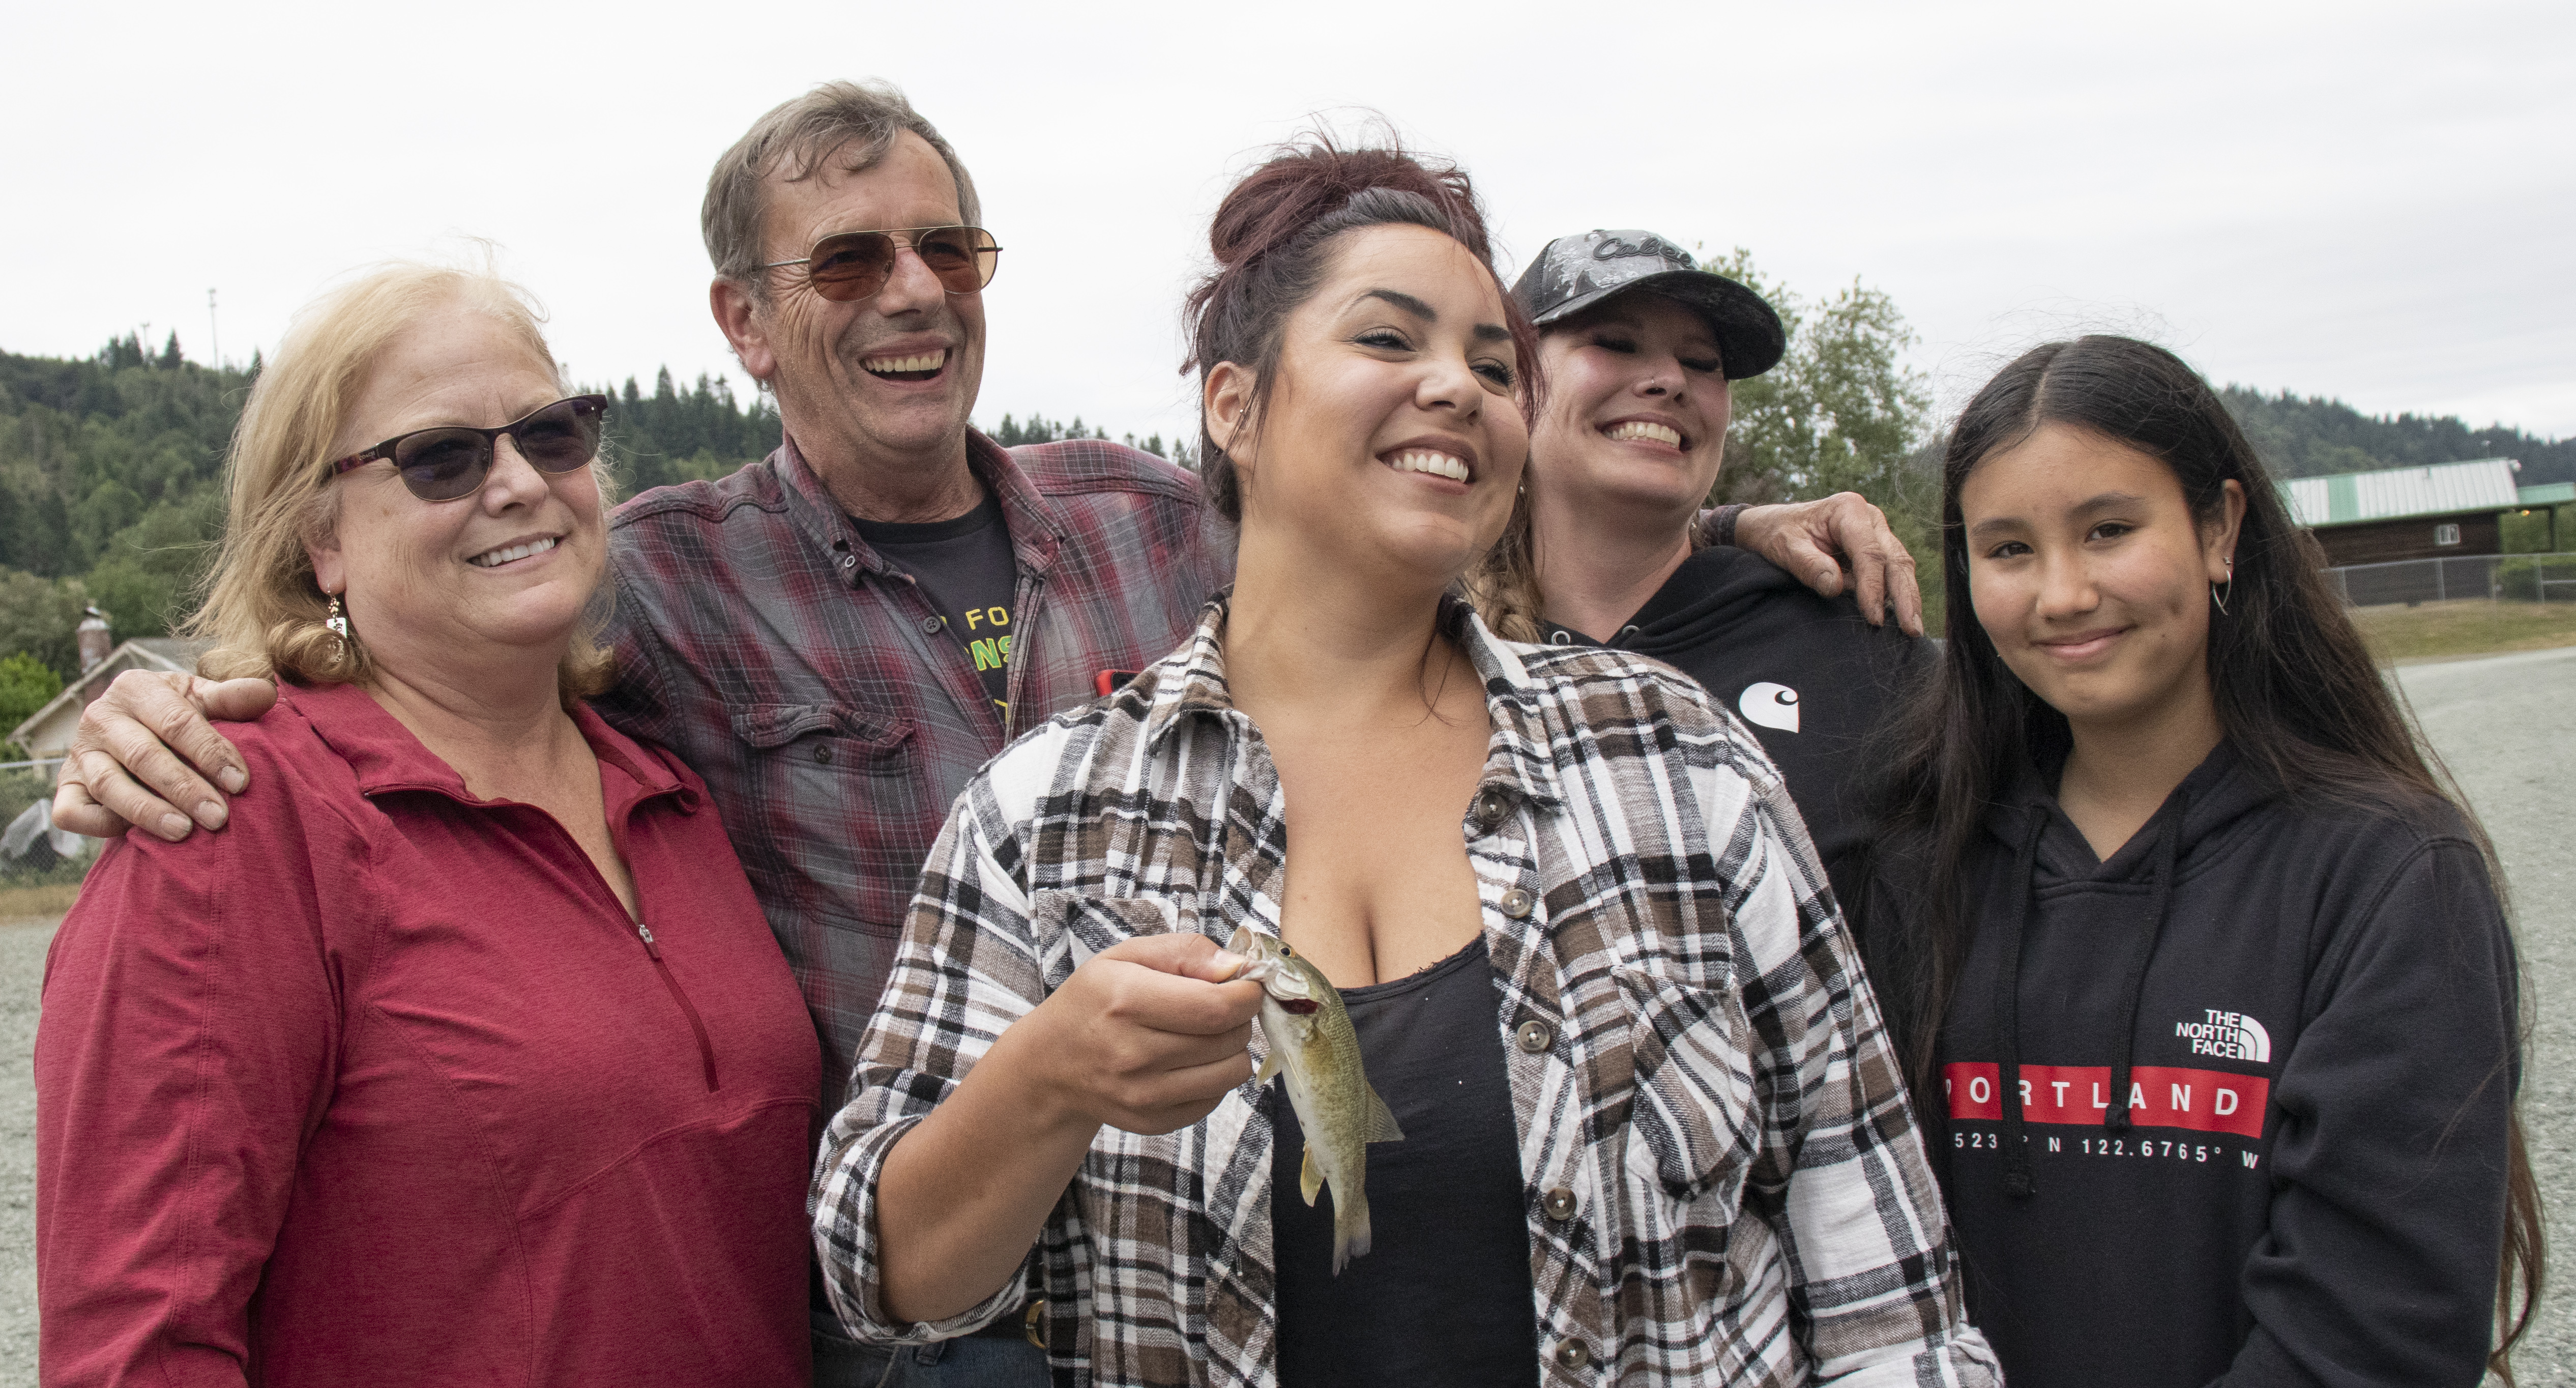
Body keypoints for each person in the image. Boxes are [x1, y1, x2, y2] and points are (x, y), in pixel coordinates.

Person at [46, 81, 1922, 1385]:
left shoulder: (1145, 516)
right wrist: (163, 688)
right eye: (848, 261)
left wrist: (1720, 539)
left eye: (948, 242)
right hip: (925, 1332)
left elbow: (1389, 502)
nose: (915, 288)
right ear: (747, 322)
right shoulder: (672, 586)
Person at [810, 135, 1998, 1388]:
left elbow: (1887, 1284)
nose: (1460, 389)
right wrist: (1045, 1081)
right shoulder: (1045, 815)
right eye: (1388, 340)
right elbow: (887, 1285)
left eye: (1495, 366)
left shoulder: (1678, 758)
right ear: (1235, 405)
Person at [33, 264, 821, 1385]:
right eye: (440, 457)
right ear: (322, 540)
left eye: (550, 435)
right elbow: (137, 1339)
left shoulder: (674, 792)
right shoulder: (230, 820)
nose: (516, 483)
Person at [1858, 335, 2541, 1386]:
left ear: (2220, 528)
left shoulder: (2390, 875)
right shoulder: (1924, 868)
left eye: (2110, 530)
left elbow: (2374, 1338)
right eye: (2008, 549)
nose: (2063, 592)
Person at [1472, 230, 1931, 907]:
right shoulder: (1425, 652)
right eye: (1616, 344)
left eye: (1702, 362)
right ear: (1514, 382)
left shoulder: (1856, 643)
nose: (1671, 381)